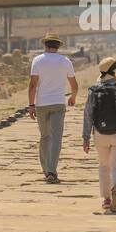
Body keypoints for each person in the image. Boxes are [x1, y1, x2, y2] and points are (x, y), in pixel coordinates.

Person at [82, 57, 116, 213]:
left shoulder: (94, 89)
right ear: (115, 72)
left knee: (104, 166)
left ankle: (106, 199)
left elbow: (88, 115)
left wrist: (85, 138)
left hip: (100, 133)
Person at [29, 32, 78, 184]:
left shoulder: (37, 60)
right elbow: (74, 85)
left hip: (42, 104)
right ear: (58, 46)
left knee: (45, 136)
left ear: (45, 44)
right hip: (58, 103)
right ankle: (52, 170)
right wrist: (72, 97)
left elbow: (32, 85)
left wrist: (31, 104)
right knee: (56, 138)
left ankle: (45, 169)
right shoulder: (65, 61)